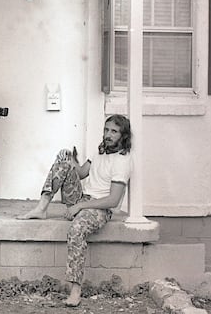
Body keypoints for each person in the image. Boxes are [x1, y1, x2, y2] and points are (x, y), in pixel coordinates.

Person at [19, 114, 133, 307]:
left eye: (114, 131)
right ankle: (41, 208)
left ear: (123, 136)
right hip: (82, 198)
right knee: (63, 161)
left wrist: (79, 206)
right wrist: (70, 159)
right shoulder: (100, 152)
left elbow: (113, 200)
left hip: (100, 208)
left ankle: (75, 289)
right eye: (106, 130)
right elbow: (80, 173)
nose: (108, 135)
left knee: (76, 230)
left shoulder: (122, 161)